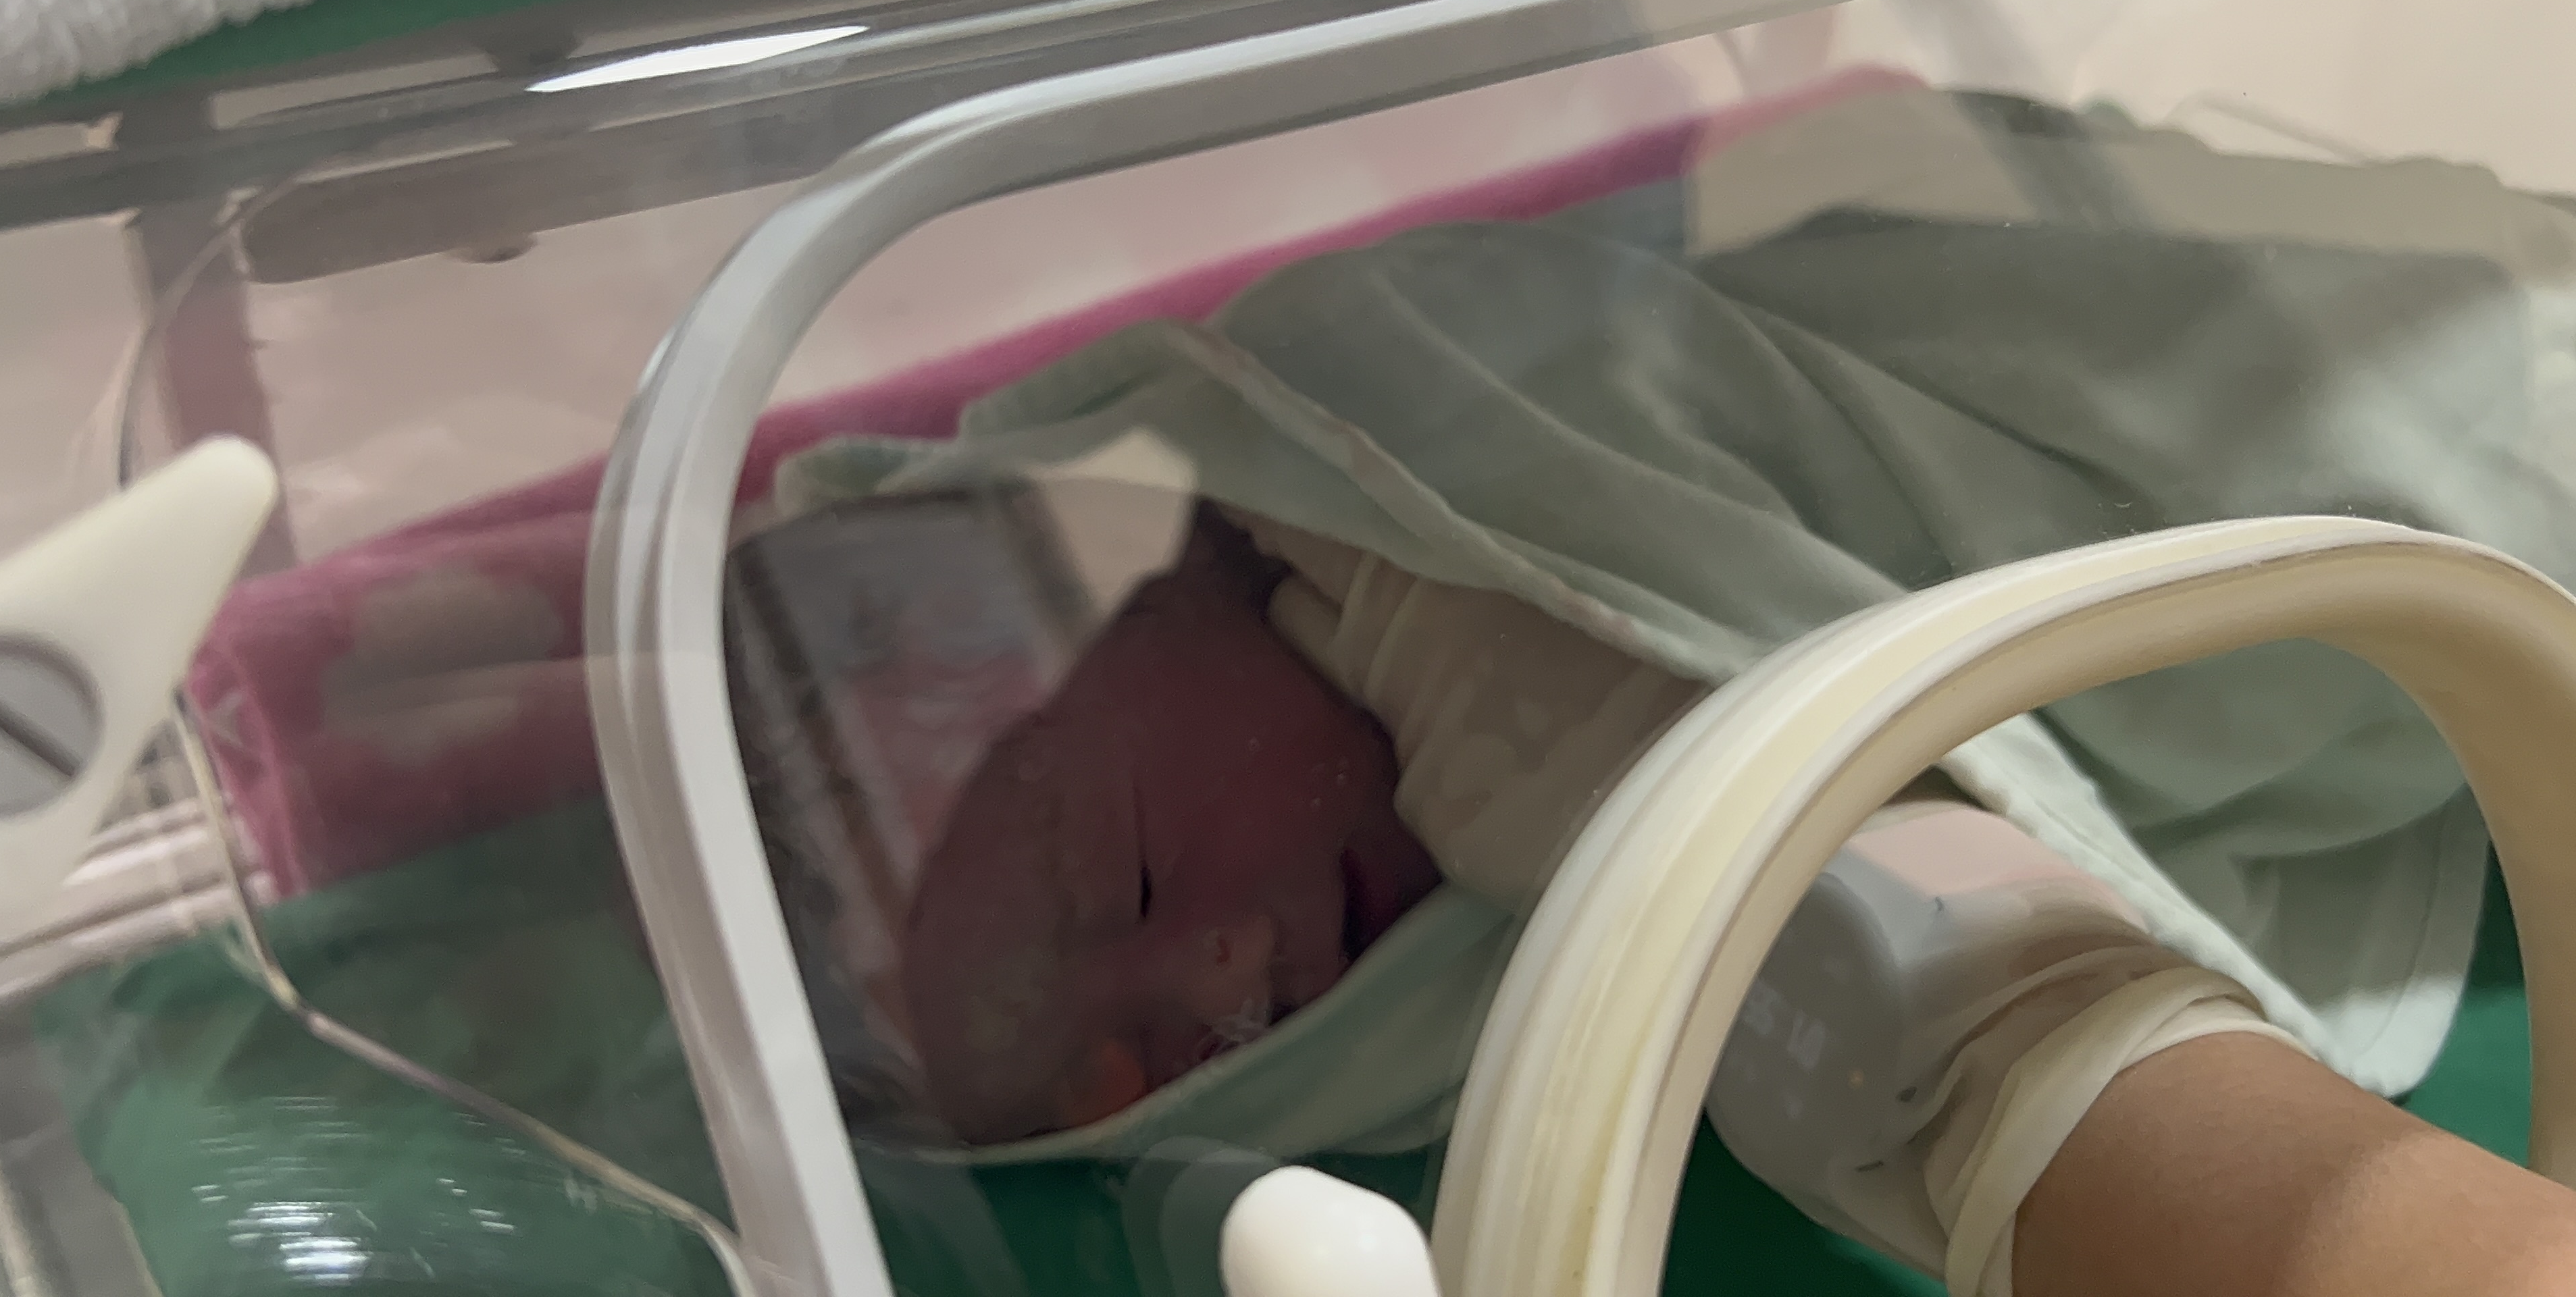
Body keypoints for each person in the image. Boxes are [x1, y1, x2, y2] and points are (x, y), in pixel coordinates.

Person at [876, 501, 2576, 1296]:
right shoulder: (1422, 1041)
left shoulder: (1386, 498)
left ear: (1165, 595)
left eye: (1136, 873)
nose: (1224, 974)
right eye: (1130, 1057)